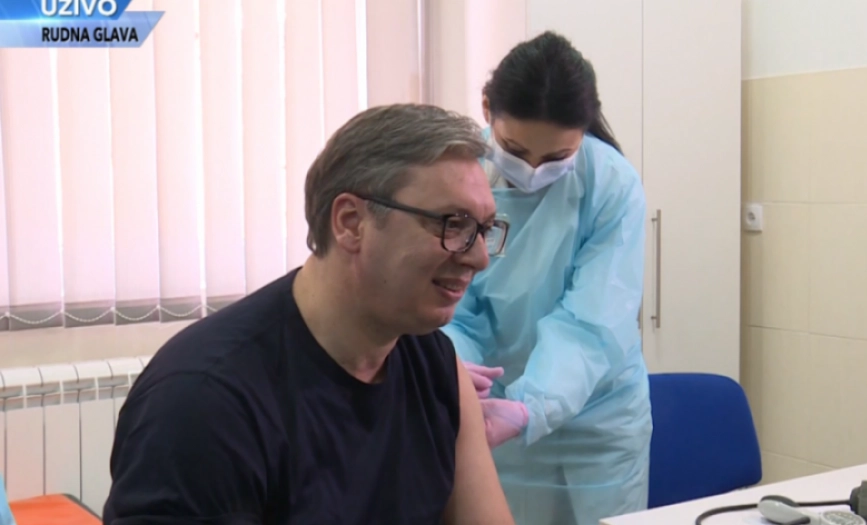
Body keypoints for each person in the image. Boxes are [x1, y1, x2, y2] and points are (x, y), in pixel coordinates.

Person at [103, 104, 517, 525]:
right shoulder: (204, 400)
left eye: (484, 230)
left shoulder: (436, 367)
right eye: (453, 224)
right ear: (351, 223)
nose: (479, 258)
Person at [440, 31, 653, 525]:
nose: (533, 171)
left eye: (556, 158)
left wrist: (530, 407)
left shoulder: (610, 184)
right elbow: (454, 306)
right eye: (515, 149)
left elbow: (591, 323)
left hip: (599, 423)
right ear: (487, 108)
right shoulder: (459, 178)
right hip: (488, 412)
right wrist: (456, 371)